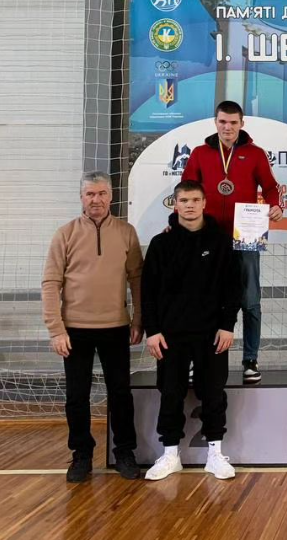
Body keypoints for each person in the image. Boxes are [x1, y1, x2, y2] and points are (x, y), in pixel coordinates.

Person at [42, 170, 143, 482]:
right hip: (74, 331)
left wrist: (139, 319)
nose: (96, 200)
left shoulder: (126, 232)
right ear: (81, 198)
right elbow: (50, 283)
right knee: (77, 396)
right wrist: (56, 329)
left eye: (101, 193)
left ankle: (124, 452)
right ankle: (81, 455)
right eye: (90, 194)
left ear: (111, 196)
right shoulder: (65, 234)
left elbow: (137, 279)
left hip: (116, 327)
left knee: (120, 393)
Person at [141, 180, 241, 480]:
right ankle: (170, 454)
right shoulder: (161, 244)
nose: (189, 205)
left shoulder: (221, 242)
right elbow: (148, 292)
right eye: (183, 200)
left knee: (213, 391)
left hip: (212, 334)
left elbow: (233, 288)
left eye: (195, 200)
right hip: (170, 335)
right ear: (175, 205)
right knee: (170, 392)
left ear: (204, 203)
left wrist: (227, 325)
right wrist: (152, 331)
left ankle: (215, 454)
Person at [182, 100, 283, 384]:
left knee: (250, 300)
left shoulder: (255, 153)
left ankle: (250, 360)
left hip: (246, 236)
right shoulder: (200, 153)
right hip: (209, 236)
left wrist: (276, 205)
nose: (227, 127)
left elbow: (271, 187)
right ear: (215, 122)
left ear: (242, 124)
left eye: (233, 122)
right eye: (222, 122)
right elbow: (186, 190)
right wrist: (176, 222)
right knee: (203, 299)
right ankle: (198, 359)